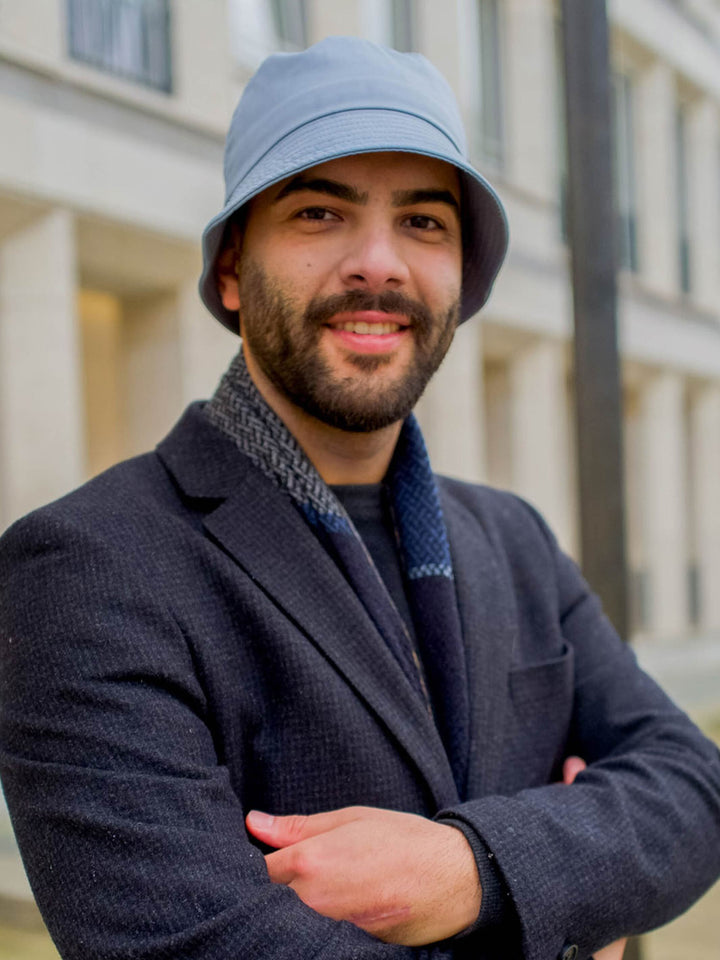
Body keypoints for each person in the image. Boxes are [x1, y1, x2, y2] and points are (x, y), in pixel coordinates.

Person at [0, 36, 718, 960]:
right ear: (230, 271)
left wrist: (474, 871)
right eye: (318, 213)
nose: (378, 264)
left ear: (463, 279)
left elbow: (692, 791)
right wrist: (572, 900)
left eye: (423, 223)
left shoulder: (514, 539)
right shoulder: (86, 566)